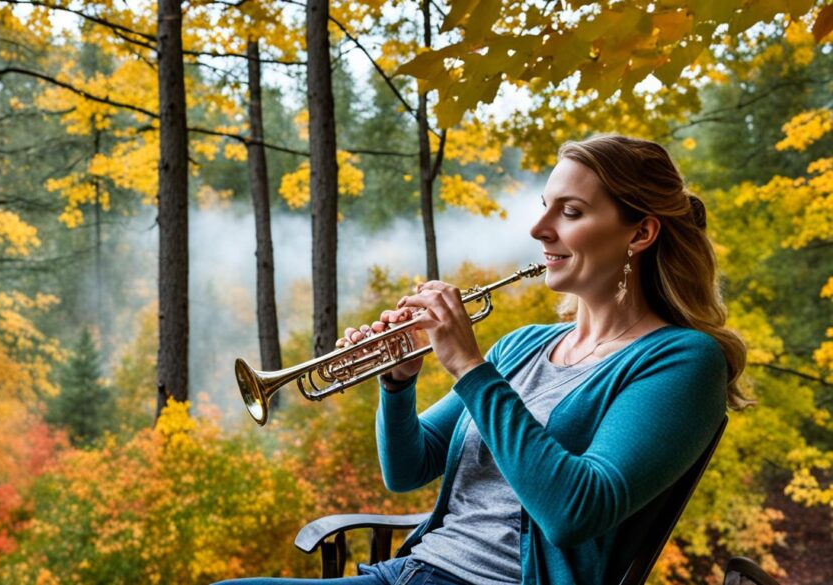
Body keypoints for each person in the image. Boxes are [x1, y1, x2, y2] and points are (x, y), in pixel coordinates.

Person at [216, 135, 747, 585]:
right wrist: (398, 384)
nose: (540, 229)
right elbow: (407, 470)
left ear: (640, 232)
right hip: (410, 570)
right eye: (544, 206)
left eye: (571, 212)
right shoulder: (523, 344)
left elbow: (575, 510)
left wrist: (470, 368)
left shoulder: (684, 360)